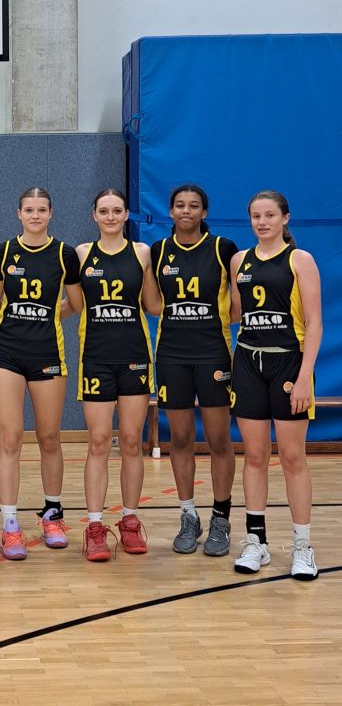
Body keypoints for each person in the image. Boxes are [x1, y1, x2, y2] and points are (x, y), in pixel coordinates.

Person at [0, 186, 83, 560]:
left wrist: (49, 316)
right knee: (10, 438)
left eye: (42, 210)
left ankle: (52, 516)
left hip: (48, 353)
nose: (35, 215)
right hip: (6, 353)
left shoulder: (64, 254)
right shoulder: (3, 252)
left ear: (51, 214)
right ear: (19, 214)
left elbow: (77, 303)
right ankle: (9, 526)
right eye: (29, 210)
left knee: (50, 437)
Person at [229, 190, 322, 580]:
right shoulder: (239, 261)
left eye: (269, 215)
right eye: (256, 216)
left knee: (292, 456)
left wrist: (304, 378)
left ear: (285, 218)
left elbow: (314, 323)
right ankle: (256, 542)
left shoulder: (300, 260)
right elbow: (235, 314)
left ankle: (303, 546)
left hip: (288, 362)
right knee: (253, 456)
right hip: (248, 362)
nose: (262, 222)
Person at [73, 189, 161, 561]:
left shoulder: (142, 253)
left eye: (117, 211)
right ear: (94, 215)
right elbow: (73, 304)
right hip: (95, 356)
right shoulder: (81, 254)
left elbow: (153, 304)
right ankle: (95, 527)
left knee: (130, 441)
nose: (110, 217)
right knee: (98, 441)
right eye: (104, 211)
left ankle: (129, 521)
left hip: (134, 356)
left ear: (126, 215)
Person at [151, 185, 237, 556]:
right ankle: (188, 516)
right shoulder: (158, 251)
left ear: (204, 212)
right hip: (171, 353)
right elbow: (153, 303)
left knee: (218, 439)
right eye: (180, 205)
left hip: (213, 353)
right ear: (171, 211)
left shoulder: (223, 249)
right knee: (181, 437)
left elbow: (236, 306)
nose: (186, 211)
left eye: (194, 205)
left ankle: (220, 518)